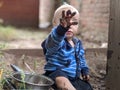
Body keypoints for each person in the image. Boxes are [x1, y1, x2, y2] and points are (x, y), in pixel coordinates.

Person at [41, 4, 93, 90]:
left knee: (87, 87)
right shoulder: (55, 41)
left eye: (74, 23)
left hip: (74, 78)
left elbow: (81, 59)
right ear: (55, 24)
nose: (69, 25)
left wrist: (84, 70)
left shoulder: (78, 43)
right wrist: (61, 29)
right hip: (56, 75)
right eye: (64, 21)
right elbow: (53, 41)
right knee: (62, 80)